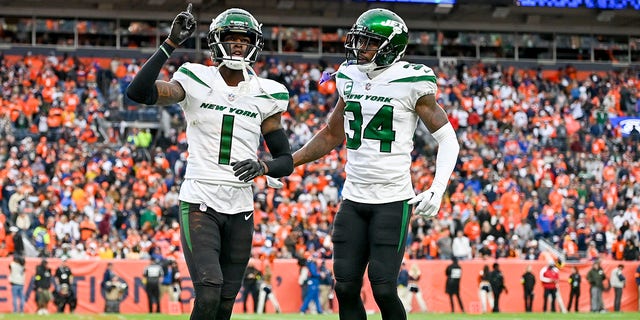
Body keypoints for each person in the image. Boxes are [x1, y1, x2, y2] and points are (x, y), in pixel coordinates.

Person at [126, 5, 293, 320]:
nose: (239, 44)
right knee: (209, 290)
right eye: (232, 38)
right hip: (201, 197)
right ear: (217, 41)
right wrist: (169, 44)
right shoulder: (194, 77)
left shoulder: (267, 93)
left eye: (245, 39)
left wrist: (264, 167)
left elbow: (285, 159)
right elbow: (138, 92)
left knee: (225, 303)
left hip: (241, 205)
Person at [291, 8, 459, 320]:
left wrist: (437, 189)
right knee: (344, 288)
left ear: (390, 47)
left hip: (392, 200)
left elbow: (448, 139)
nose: (359, 48)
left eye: (368, 43)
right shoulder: (349, 76)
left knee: (383, 289)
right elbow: (331, 133)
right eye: (358, 40)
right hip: (353, 198)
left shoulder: (412, 81)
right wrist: (289, 162)